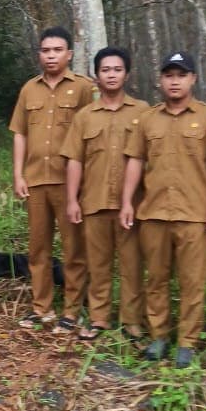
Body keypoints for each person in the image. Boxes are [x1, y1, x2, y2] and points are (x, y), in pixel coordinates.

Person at [119, 50, 206, 368]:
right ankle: (159, 337)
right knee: (155, 279)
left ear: (192, 79)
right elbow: (136, 162)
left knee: (192, 281)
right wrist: (127, 201)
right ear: (160, 80)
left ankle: (187, 342)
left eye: (181, 75)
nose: (174, 81)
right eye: (169, 75)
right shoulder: (148, 119)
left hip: (195, 215)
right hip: (153, 213)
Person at [9, 28, 95, 331]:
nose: (51, 56)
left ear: (69, 54)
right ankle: (41, 308)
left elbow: (91, 136)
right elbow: (20, 133)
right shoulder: (29, 89)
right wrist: (18, 174)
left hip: (69, 183)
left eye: (57, 50)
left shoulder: (84, 88)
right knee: (38, 249)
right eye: (46, 51)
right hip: (36, 181)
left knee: (74, 248)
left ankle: (72, 311)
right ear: (39, 55)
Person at [62, 46, 149, 342]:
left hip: (131, 206)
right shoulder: (85, 116)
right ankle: (99, 319)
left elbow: (153, 158)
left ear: (127, 74)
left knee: (131, 265)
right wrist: (72, 199)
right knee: (97, 266)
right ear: (96, 76)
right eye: (105, 70)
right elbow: (74, 159)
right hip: (94, 202)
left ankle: (131, 322)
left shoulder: (143, 112)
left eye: (117, 70)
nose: (111, 75)